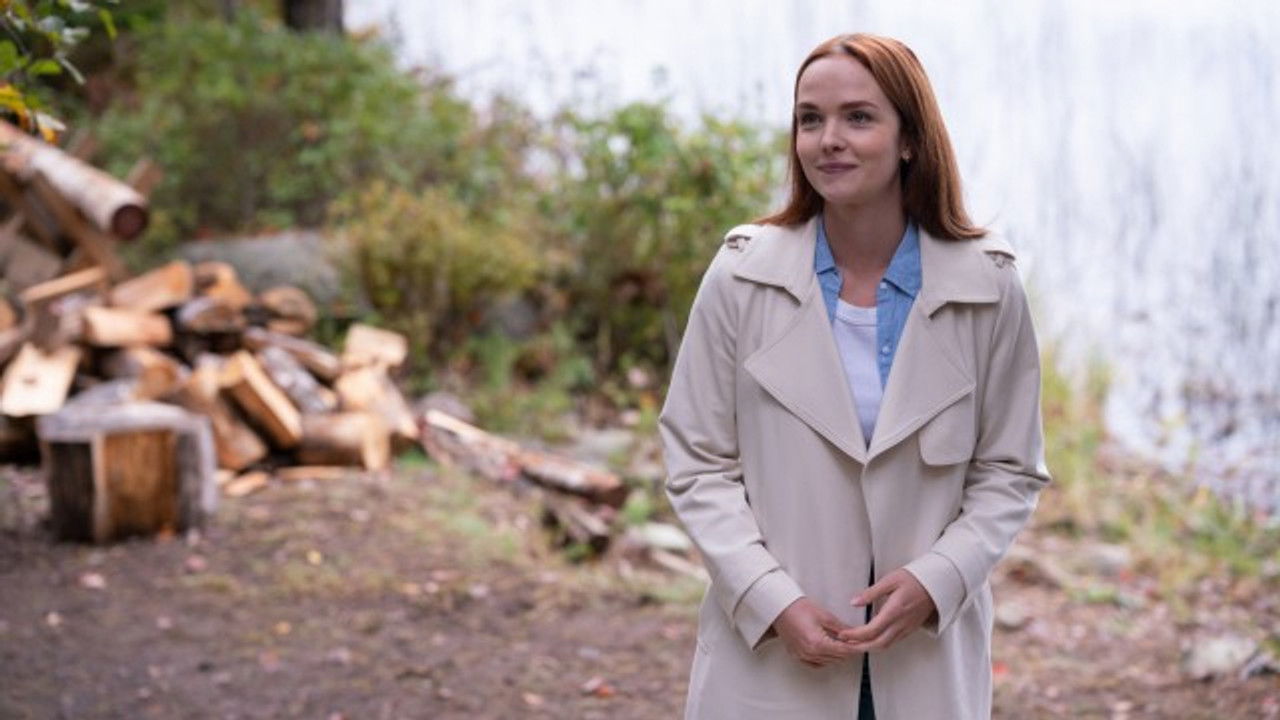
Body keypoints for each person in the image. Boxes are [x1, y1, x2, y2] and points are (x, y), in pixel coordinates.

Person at [659, 32, 1050, 720]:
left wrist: (939, 580)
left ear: (910, 140)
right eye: (810, 119)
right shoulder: (741, 275)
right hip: (772, 658)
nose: (829, 140)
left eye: (858, 117)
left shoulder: (988, 287)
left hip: (924, 662)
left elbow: (1010, 469)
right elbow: (697, 462)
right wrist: (770, 598)